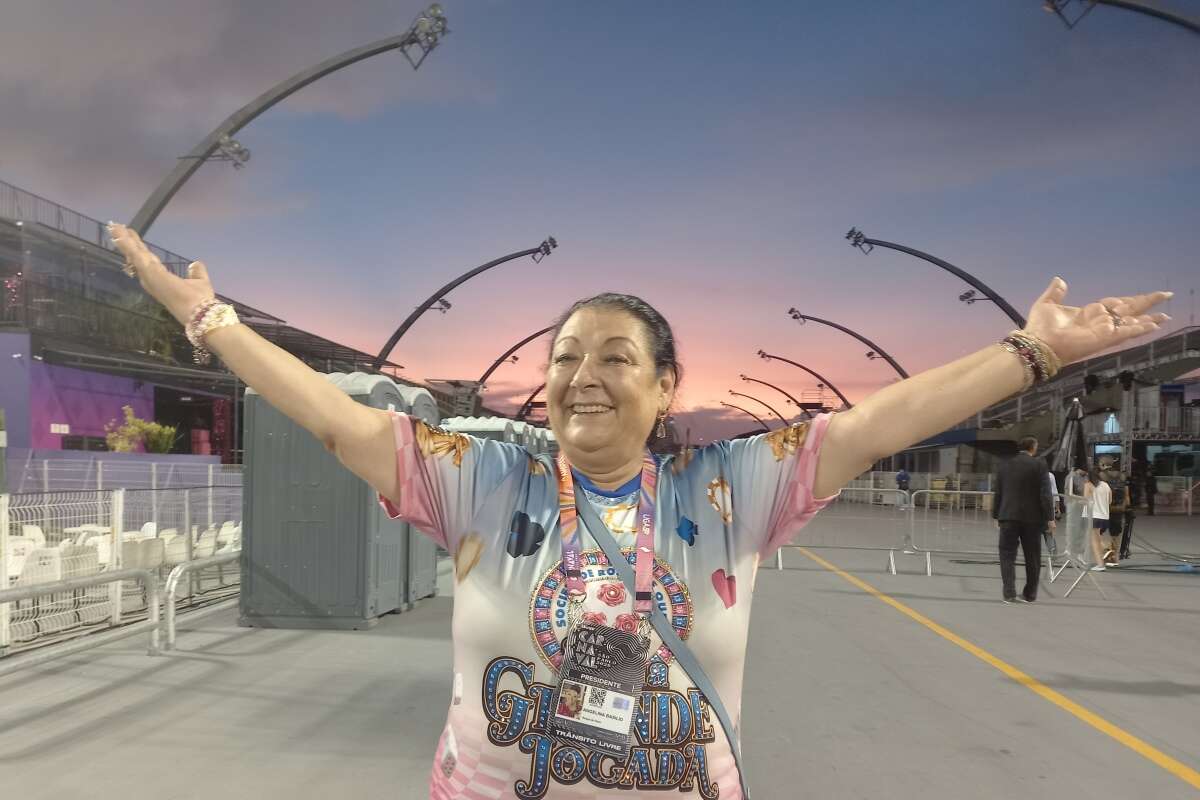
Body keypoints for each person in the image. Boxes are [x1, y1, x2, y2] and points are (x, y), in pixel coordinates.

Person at [107, 222, 1169, 799]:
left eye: (616, 356)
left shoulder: (726, 489)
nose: (583, 375)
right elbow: (336, 419)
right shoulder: (486, 475)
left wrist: (1029, 352)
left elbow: (875, 424)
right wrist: (210, 318)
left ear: (666, 386)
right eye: (565, 355)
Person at [992, 437, 1054, 603]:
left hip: (1008, 516)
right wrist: (1050, 517)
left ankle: (1009, 593)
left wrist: (996, 515)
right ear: (1033, 448)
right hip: (1032, 519)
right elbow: (1046, 494)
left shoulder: (1004, 465)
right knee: (1033, 557)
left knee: (1007, 555)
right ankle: (1029, 594)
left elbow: (998, 492)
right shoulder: (1039, 465)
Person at [1100, 462, 1129, 566]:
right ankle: (1114, 558)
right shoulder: (1122, 477)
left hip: (1105, 509)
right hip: (1119, 509)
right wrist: (1126, 507)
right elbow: (1127, 495)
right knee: (1115, 534)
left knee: (1096, 533)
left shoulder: (1102, 476)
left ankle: (1107, 550)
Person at [1084, 468, 1112, 571]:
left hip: (1093, 515)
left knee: (1094, 541)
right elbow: (1109, 501)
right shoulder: (1106, 485)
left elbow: (1085, 500)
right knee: (1098, 537)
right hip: (1104, 516)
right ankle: (1106, 548)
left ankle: (1100, 564)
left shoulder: (1088, 485)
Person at [1120, 469, 1139, 560]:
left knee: (1123, 531)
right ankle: (1122, 550)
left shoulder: (1125, 484)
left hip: (1120, 509)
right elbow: (1127, 497)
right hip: (1123, 509)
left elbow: (1128, 497)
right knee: (1123, 531)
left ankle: (1122, 550)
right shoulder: (1126, 484)